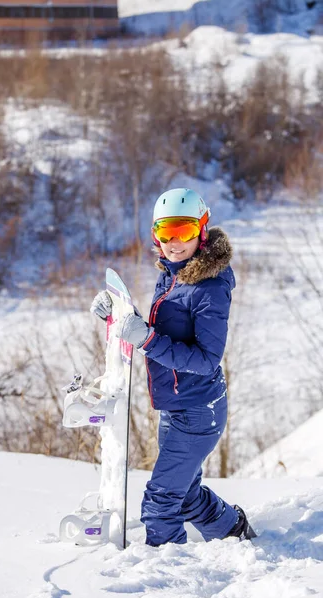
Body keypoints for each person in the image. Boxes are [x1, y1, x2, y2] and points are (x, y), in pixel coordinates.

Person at [91, 188, 256, 546]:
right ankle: (235, 533)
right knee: (185, 496)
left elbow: (205, 358)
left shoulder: (209, 286)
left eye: (183, 231)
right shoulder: (174, 273)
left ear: (201, 229)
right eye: (165, 232)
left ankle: (167, 578)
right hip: (176, 405)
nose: (173, 242)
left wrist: (145, 339)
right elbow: (164, 331)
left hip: (197, 412)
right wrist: (121, 317)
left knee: (160, 503)